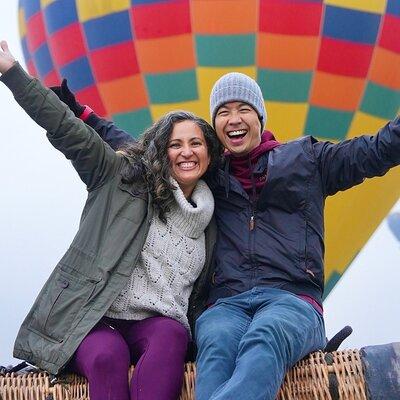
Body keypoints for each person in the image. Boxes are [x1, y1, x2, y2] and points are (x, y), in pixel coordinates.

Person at [51, 71, 400, 398]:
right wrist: (85, 117)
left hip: (292, 301)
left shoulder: (308, 161)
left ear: (259, 118)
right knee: (215, 344)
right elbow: (146, 154)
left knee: (265, 337)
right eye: (223, 112)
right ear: (215, 126)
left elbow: (377, 149)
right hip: (226, 304)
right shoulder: (210, 177)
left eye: (243, 109)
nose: (233, 118)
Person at [0, 41, 222, 400]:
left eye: (196, 144)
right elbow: (65, 129)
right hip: (92, 318)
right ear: (160, 151)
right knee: (108, 356)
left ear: (210, 154)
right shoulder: (120, 178)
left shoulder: (211, 219)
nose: (186, 152)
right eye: (175, 144)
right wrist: (12, 73)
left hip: (156, 325)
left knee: (173, 335)